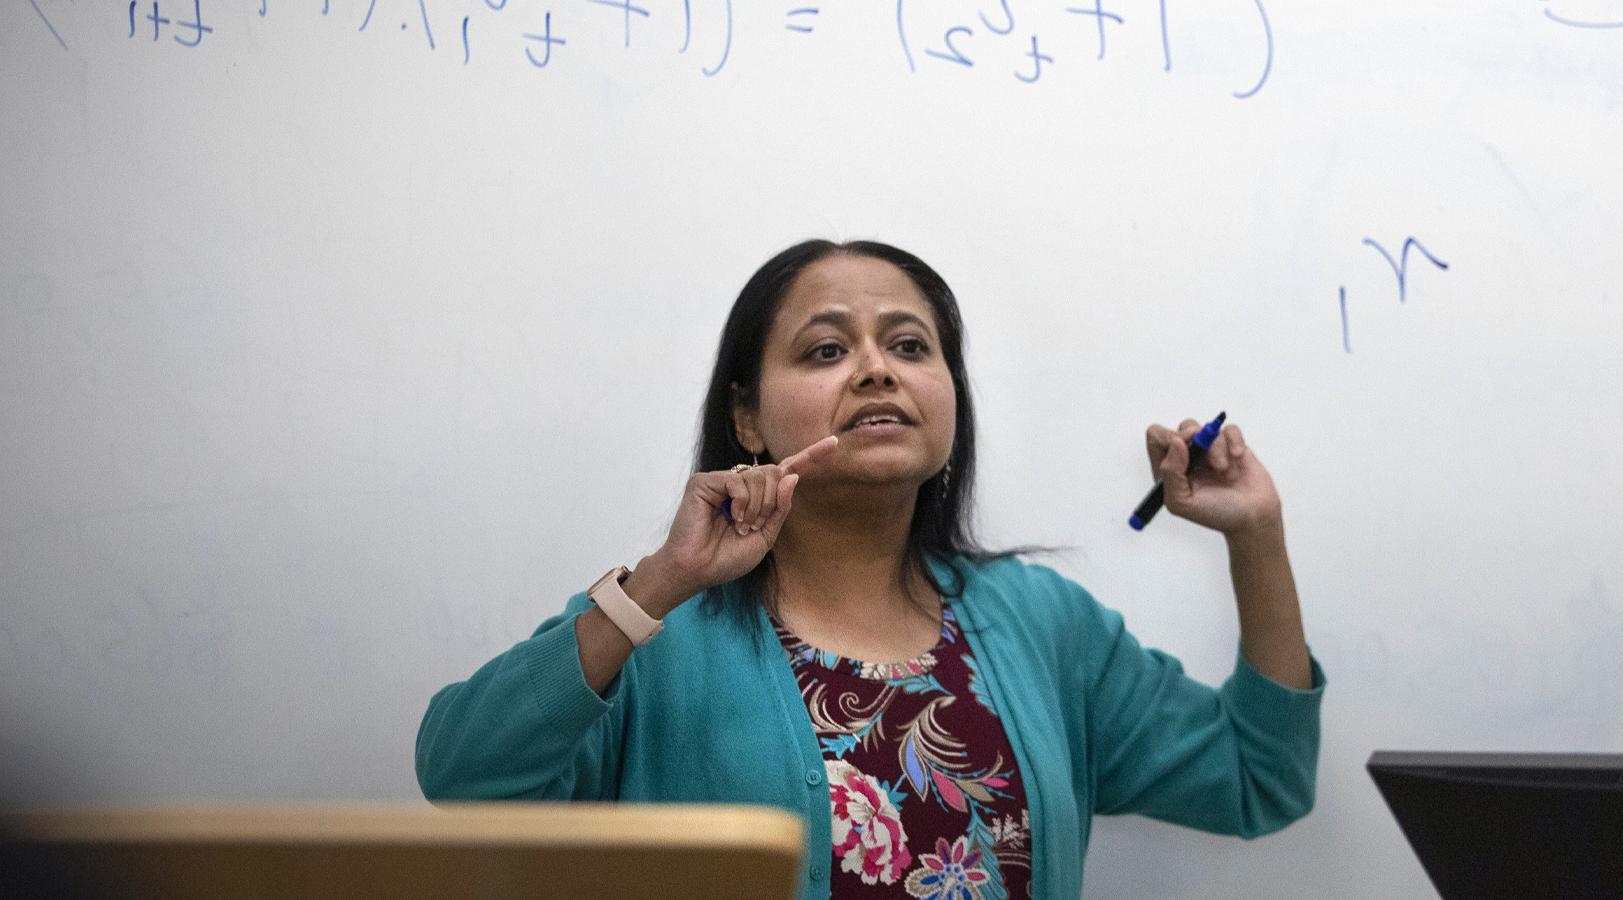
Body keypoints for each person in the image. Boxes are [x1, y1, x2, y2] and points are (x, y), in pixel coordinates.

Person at [415, 239, 1323, 900]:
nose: (877, 371)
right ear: (746, 416)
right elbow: (466, 776)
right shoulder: (659, 632)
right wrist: (657, 583)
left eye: (911, 346)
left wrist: (1258, 534)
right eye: (825, 349)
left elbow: (1257, 778)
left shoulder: (1042, 625)